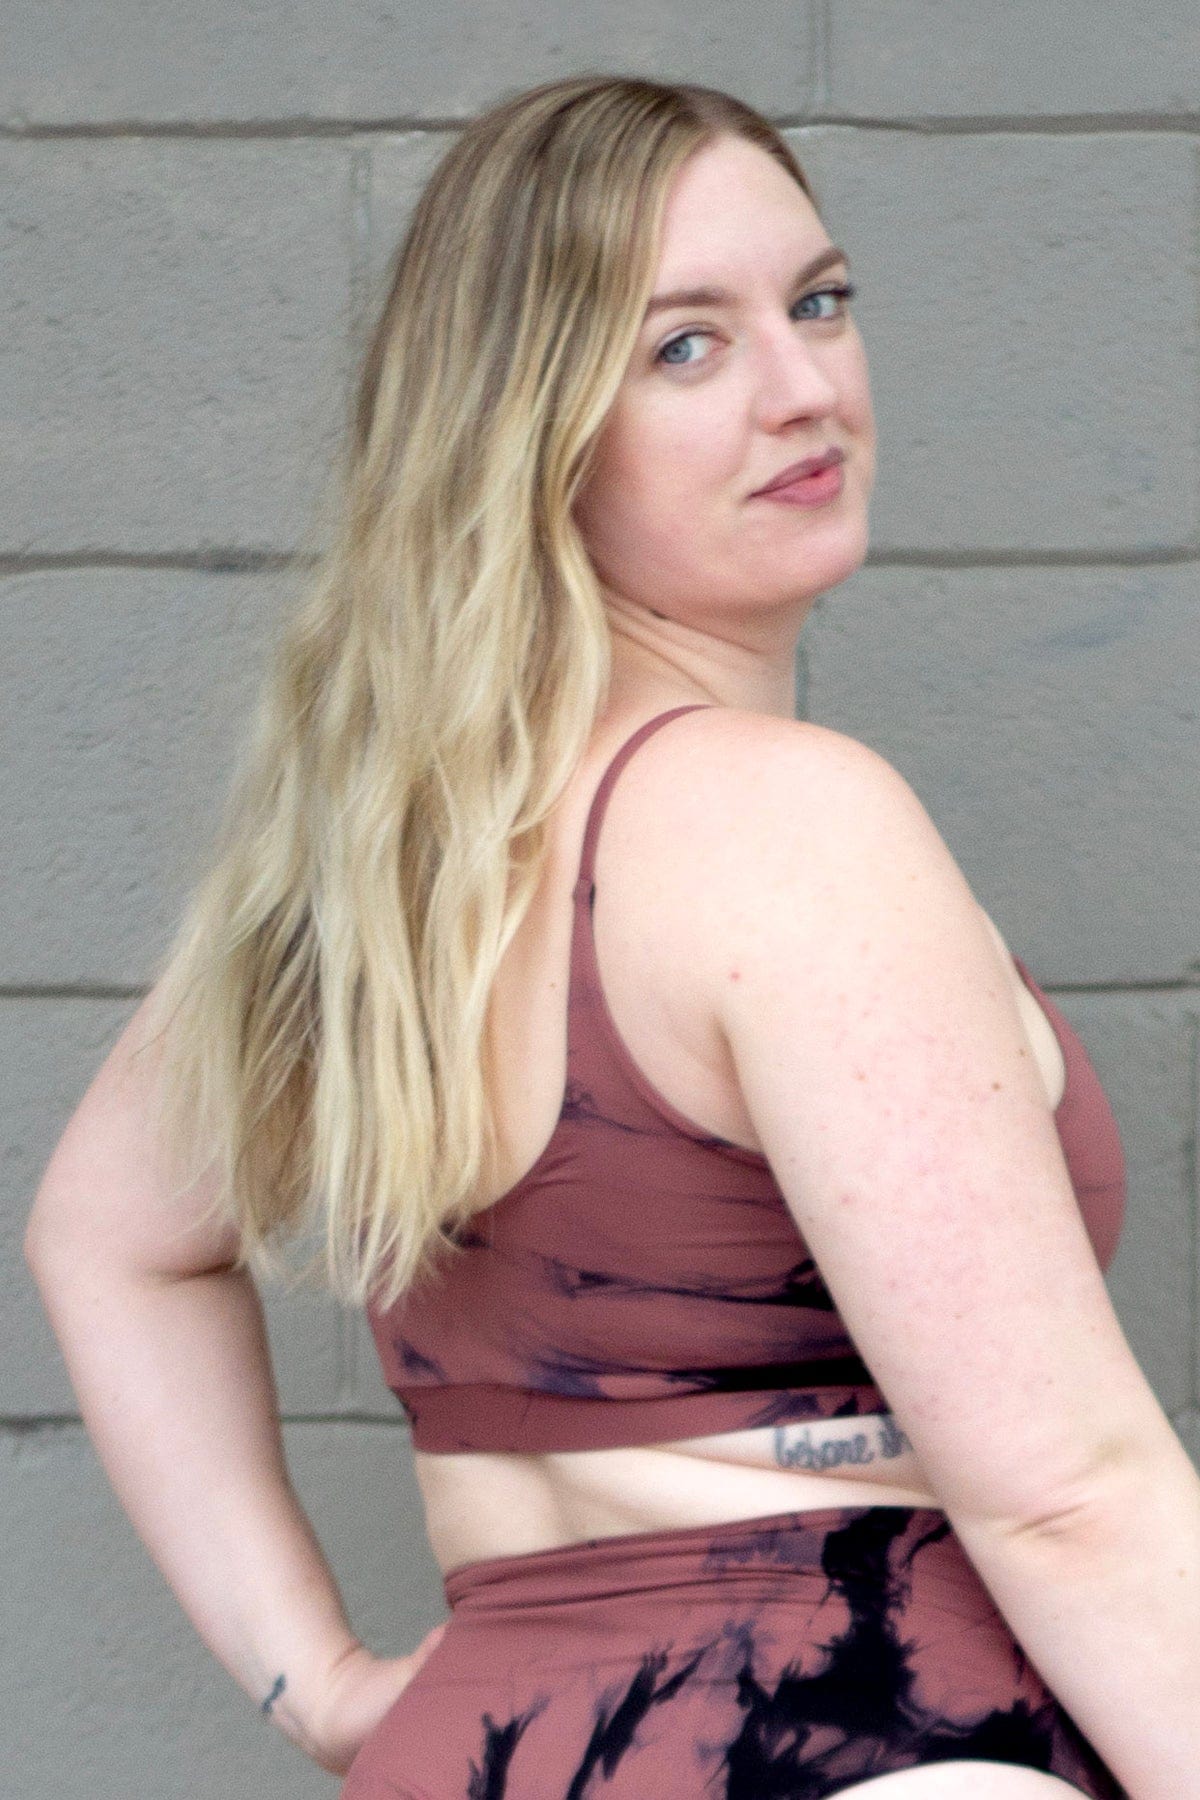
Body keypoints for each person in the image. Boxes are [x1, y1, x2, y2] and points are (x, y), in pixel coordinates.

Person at [22, 72, 1199, 1800]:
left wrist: (334, 1691)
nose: (806, 390)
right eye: (684, 348)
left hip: (475, 1752)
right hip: (864, 1745)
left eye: (818, 304)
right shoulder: (790, 818)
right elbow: (1067, 1491)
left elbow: (103, 1235)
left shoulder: (374, 866)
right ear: (530, 425)